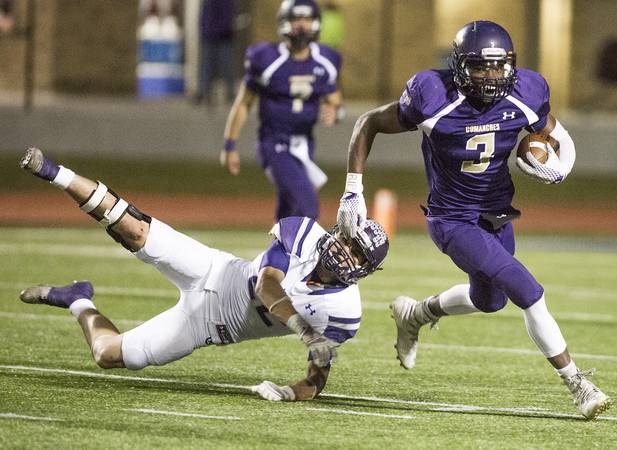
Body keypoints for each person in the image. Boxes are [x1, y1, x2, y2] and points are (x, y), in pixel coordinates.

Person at [335, 20, 612, 419]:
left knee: (490, 300)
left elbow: (556, 133)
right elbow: (369, 123)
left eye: (499, 66)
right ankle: (578, 384)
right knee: (527, 290)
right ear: (460, 66)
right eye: (481, 66)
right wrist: (353, 190)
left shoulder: (526, 91)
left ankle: (416, 313)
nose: (492, 76)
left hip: (496, 214)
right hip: (453, 220)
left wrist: (560, 167)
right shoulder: (433, 96)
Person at [18, 147, 388, 402]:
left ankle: (77, 300)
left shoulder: (344, 314)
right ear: (341, 230)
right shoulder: (305, 233)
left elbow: (315, 378)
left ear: (365, 270)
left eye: (358, 254)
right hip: (214, 269)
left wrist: (289, 392)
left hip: (208, 325)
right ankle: (55, 172)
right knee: (135, 229)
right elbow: (267, 284)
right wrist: (306, 332)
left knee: (106, 354)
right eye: (349, 241)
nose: (346, 251)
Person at [220, 0, 344, 221]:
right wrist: (229, 146)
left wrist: (335, 113)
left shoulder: (326, 60)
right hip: (274, 142)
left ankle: (280, 245)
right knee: (307, 206)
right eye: (296, 19)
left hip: (305, 144)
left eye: (307, 19)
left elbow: (336, 102)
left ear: (316, 23)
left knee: (289, 213)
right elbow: (243, 103)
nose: (302, 25)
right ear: (285, 22)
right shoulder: (266, 59)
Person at [196, 0, 236, 105]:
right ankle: (203, 92)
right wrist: (204, 32)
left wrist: (219, 30)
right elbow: (204, 17)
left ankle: (230, 92)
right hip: (209, 37)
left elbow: (227, 17)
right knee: (206, 67)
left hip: (223, 37)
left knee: (226, 66)